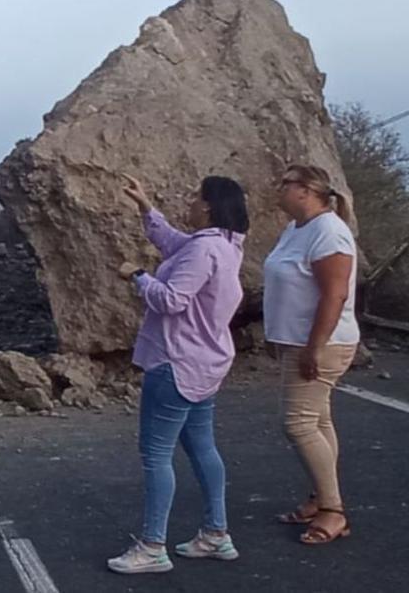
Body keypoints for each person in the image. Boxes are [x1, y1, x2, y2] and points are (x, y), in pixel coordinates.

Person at [108, 175, 249, 575]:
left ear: (207, 206)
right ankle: (216, 534)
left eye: (194, 196)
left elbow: (171, 300)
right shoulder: (226, 245)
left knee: (155, 455)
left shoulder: (204, 249)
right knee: (202, 446)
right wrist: (145, 207)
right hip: (206, 363)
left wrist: (138, 276)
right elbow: (172, 241)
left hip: (175, 363)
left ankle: (153, 546)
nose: (189, 202)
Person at [264, 164, 359, 545]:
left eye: (284, 184)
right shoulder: (297, 229)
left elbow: (334, 295)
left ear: (305, 190)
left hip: (323, 343)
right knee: (317, 420)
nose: (279, 189)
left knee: (298, 423)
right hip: (298, 341)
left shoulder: (329, 232)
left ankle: (333, 511)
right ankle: (320, 498)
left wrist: (313, 346)